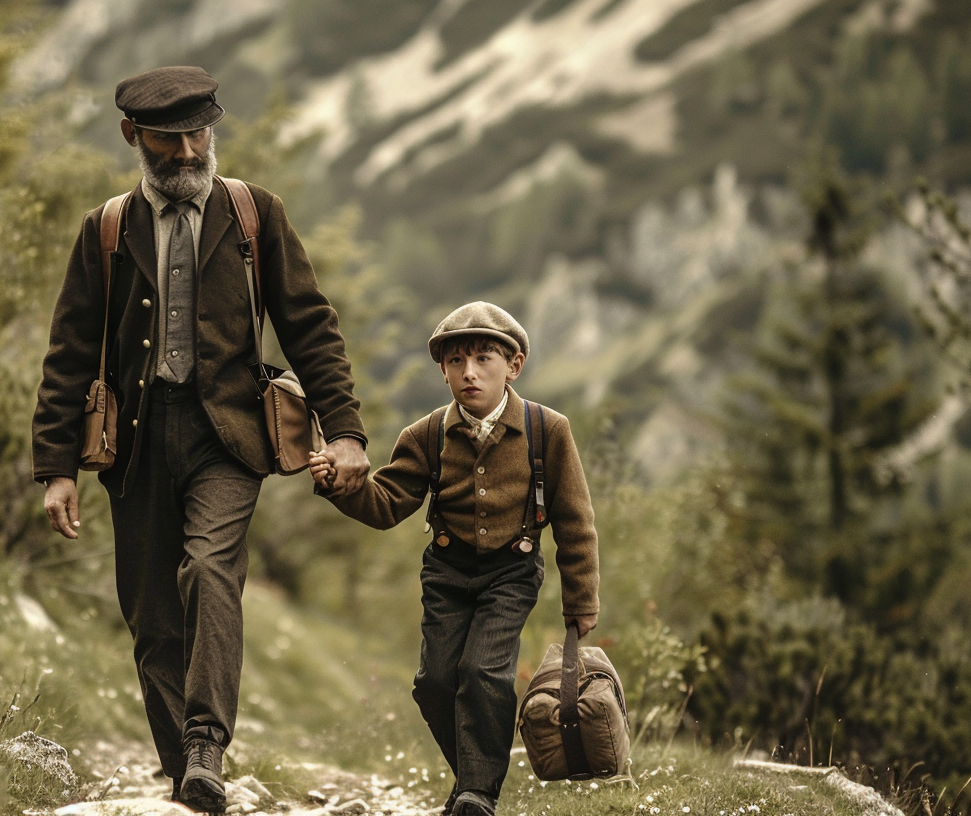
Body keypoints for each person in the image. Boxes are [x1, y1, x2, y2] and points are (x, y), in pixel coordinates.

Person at [31, 65, 371, 814]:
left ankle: (205, 743)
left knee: (209, 573)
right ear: (132, 136)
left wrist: (344, 431)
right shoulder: (107, 228)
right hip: (138, 446)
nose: (186, 152)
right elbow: (69, 350)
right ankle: (178, 767)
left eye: (198, 133)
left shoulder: (256, 213)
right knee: (151, 610)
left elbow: (311, 326)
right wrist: (56, 466)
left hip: (230, 438)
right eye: (168, 137)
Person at [309, 302, 599, 816]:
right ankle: (472, 780)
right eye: (456, 361)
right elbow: (385, 505)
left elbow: (575, 521)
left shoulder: (547, 430)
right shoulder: (425, 436)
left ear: (514, 365)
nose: (470, 372)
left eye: (484, 358)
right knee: (435, 683)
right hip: (446, 573)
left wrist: (581, 601)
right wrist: (339, 486)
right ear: (441, 369)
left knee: (483, 673)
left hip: (512, 573)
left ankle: (477, 794)